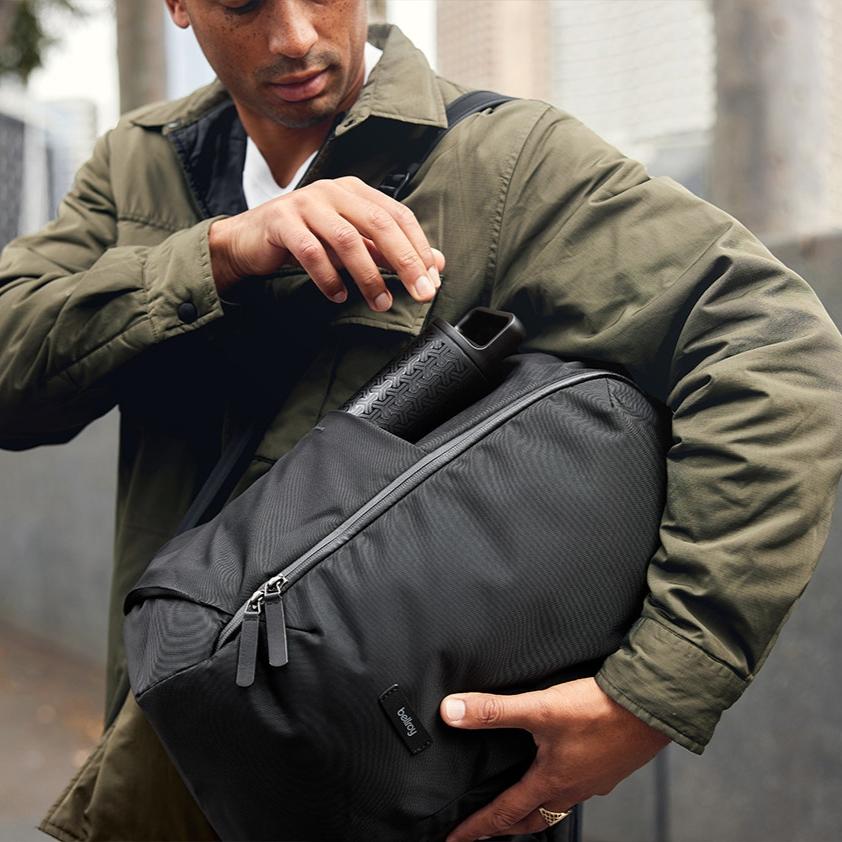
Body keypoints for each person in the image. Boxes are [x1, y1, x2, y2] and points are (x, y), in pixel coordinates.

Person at [1, 1, 841, 841]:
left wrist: (653, 694)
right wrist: (214, 256)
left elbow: (778, 348)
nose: (295, 37)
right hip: (170, 775)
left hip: (414, 798)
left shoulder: (507, 163)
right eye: (245, 3)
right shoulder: (142, 165)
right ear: (179, 6)